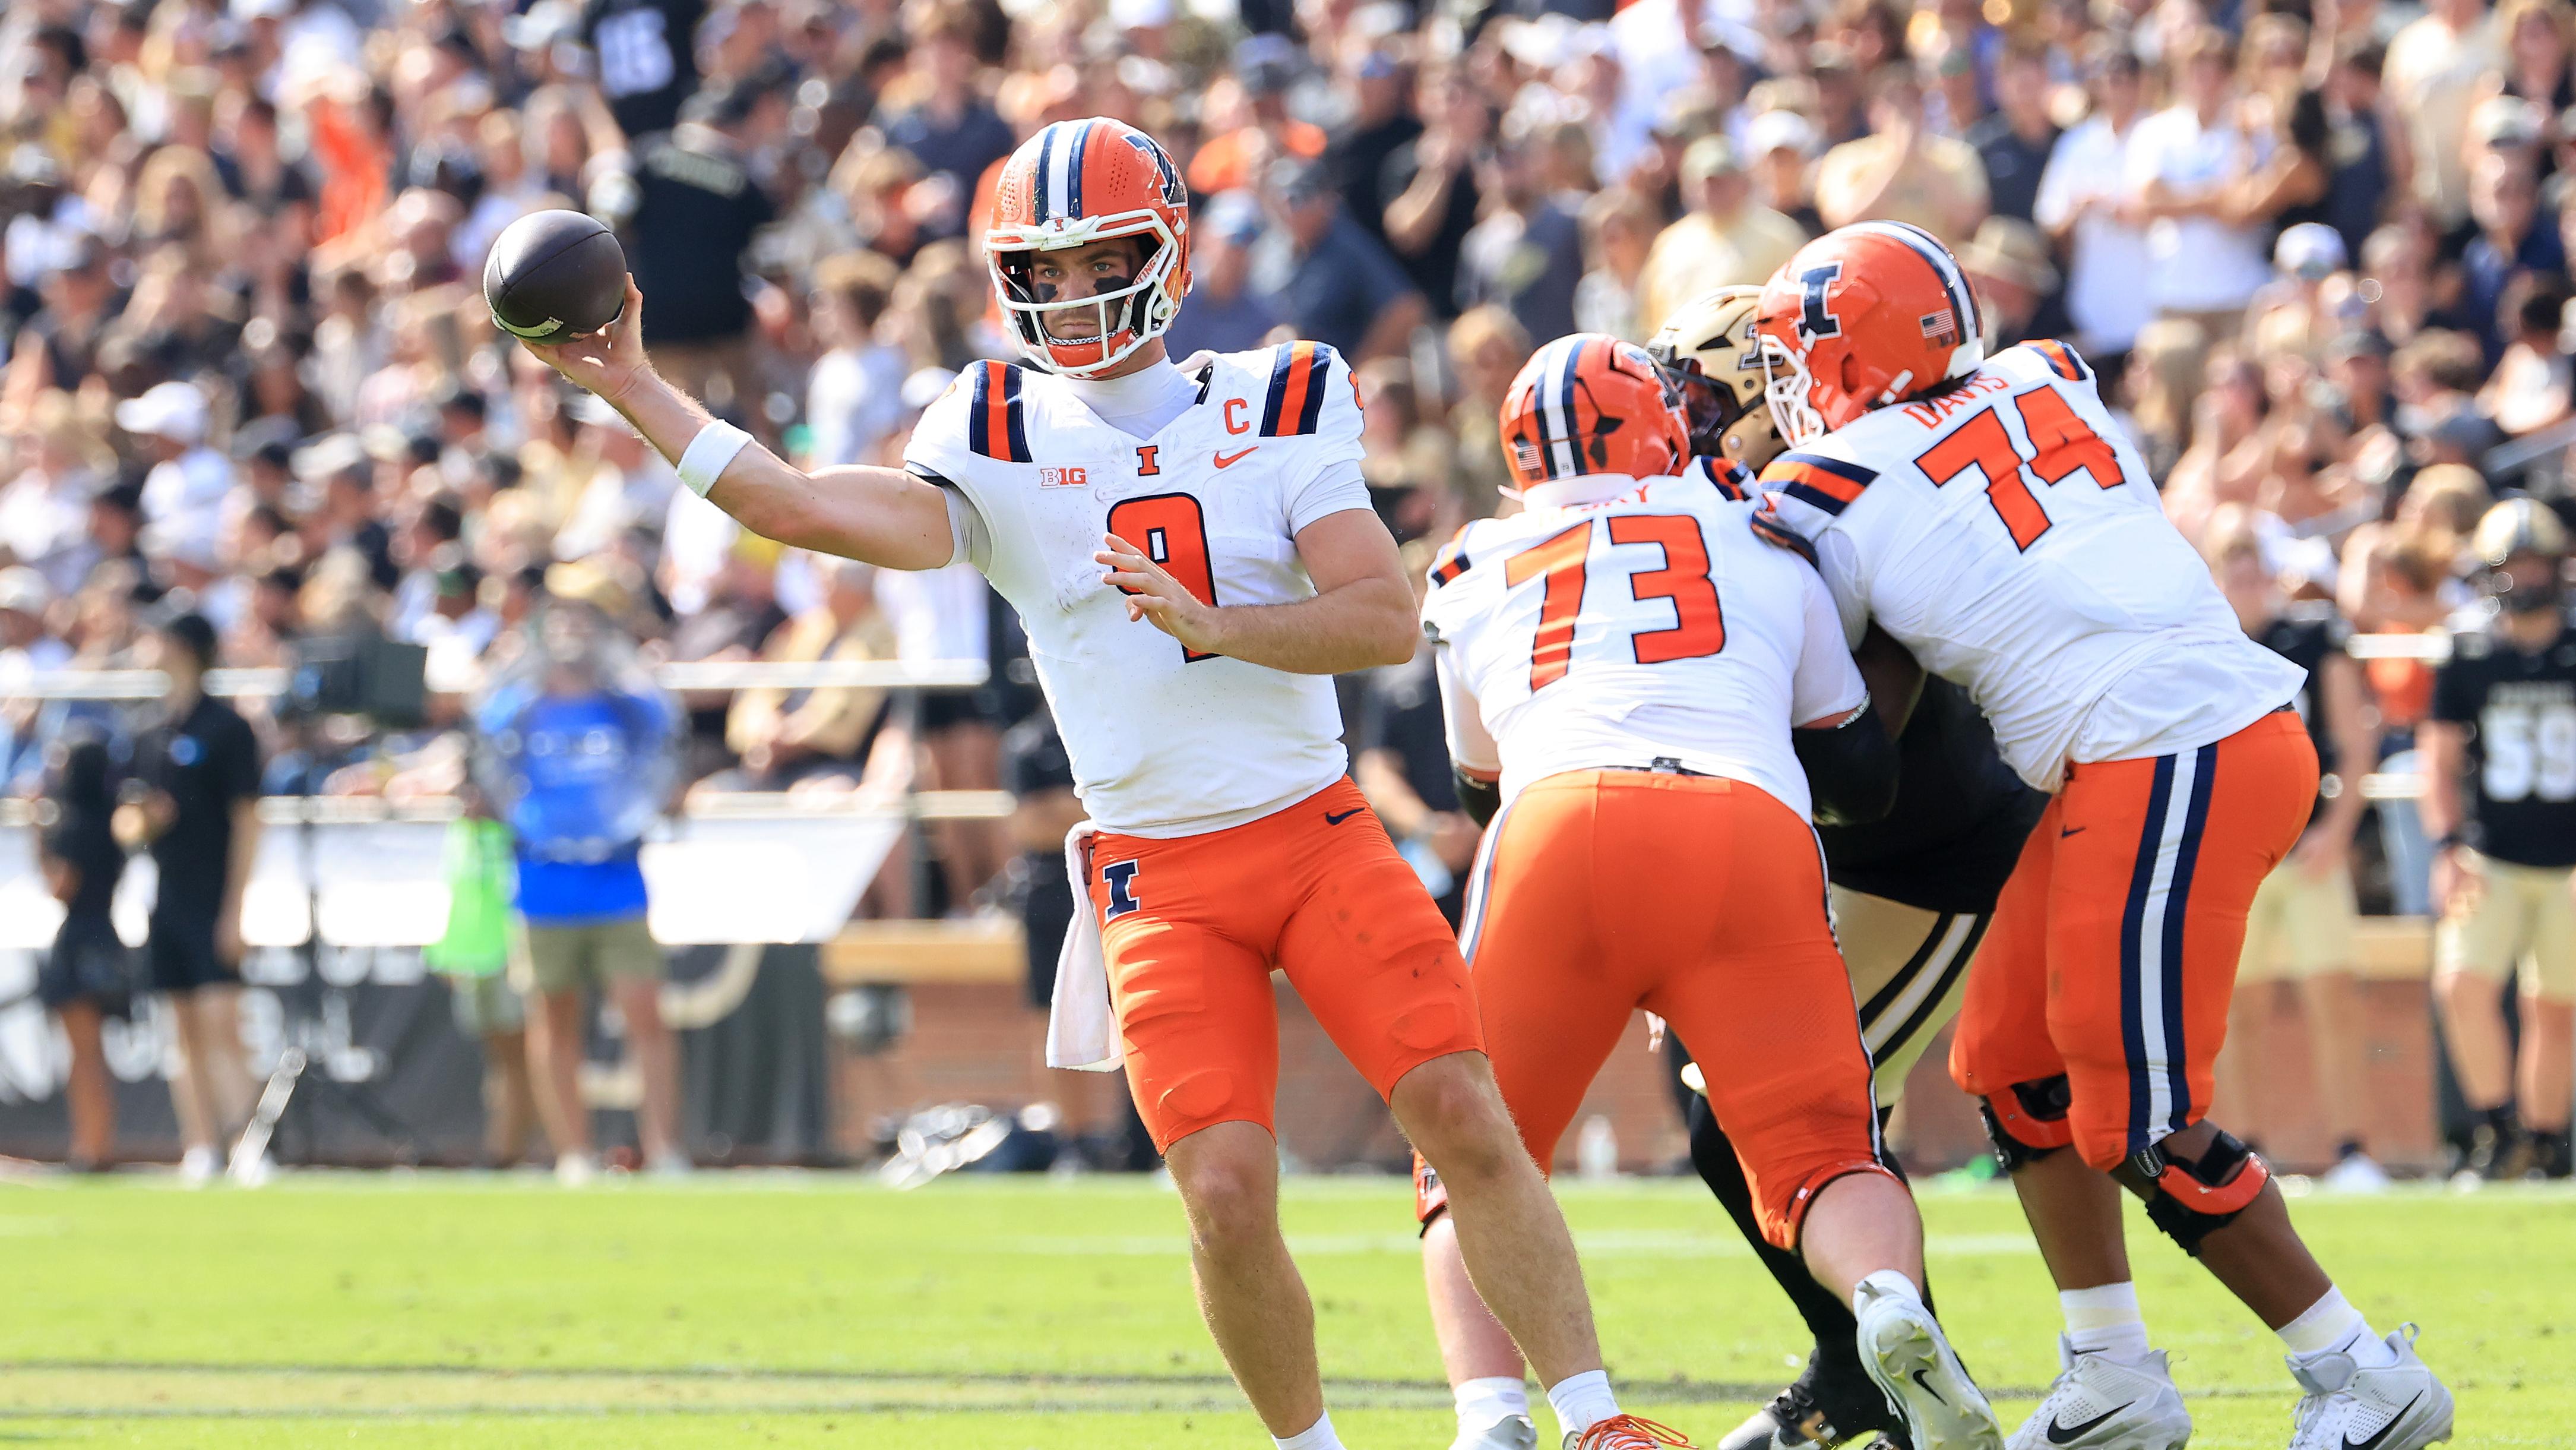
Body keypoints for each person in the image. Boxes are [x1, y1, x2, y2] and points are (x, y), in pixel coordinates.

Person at [523, 116, 1689, 1450]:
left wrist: (1221, 621)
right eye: (1048, 269)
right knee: (1226, 1189)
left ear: (1169, 249)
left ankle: (1595, 1420)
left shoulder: (1278, 393)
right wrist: (630, 383)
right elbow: (795, 504)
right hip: (1158, 870)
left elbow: (1380, 612)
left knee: (1465, 1112)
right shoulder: (994, 422)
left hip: (1314, 828)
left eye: (1103, 259)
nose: (1074, 295)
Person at [1752, 222, 2454, 1450]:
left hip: (2170, 744)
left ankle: (2358, 1369)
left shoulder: (1830, 484)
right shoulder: (2050, 372)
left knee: (2131, 1113)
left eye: (1792, 361)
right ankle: (2112, 1369)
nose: (1780, 395)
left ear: (1844, 353)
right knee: (2013, 1060)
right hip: (2151, 744)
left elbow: (1832, 653)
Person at [1413, 330, 2002, 1450]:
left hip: (1558, 824)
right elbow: (1858, 771)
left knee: (1476, 1159)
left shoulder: (1471, 563)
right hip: (1743, 828)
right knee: (1827, 1154)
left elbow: (1478, 782)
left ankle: (1491, 1419)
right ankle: (1884, 1301)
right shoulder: (1763, 540)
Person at [1647, 288, 2047, 1450]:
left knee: (1770, 1104)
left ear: (1778, 390)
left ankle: (1906, 1378)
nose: (1684, 414)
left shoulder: (1829, 499)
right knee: (1740, 1093)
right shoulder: (1733, 506)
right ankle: (1863, 1365)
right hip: (1851, 849)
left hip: (1931, 847)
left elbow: (1858, 750)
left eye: (1708, 391)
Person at [473, 570, 687, 1184]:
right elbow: (486, 773)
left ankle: (665, 1149)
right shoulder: (513, 705)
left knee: (644, 1013)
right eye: (559, 619)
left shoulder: (632, 704)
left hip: (618, 873)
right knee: (553, 1019)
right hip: (542, 877)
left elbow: (667, 763)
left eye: (582, 619)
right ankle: (574, 1155)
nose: (570, 632)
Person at [2202, 510, 2393, 1192]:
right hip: (2235, 856)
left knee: (2333, 995)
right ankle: (2246, 1152)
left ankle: (2353, 1150)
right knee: (2235, 1009)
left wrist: (2338, 829)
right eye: (2234, 569)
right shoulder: (2202, 642)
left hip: (2307, 846)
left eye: (2255, 568)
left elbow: (2356, 737)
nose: (2246, 583)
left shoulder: (2309, 638)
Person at [2420, 499, 2576, 1183]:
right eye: (2512, 564)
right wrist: (2448, 843)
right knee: (2460, 984)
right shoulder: (2469, 648)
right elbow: (2440, 757)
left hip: (2570, 858)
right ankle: (2496, 1127)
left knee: (2556, 1005)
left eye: (2536, 561)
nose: (2525, 576)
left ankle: (2545, 1141)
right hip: (2491, 853)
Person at [116, 612, 261, 1185]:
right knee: (182, 1027)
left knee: (222, 1021)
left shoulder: (227, 728)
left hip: (212, 894)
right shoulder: (149, 730)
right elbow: (126, 821)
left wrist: (237, 909)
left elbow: (248, 820)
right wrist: (143, 822)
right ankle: (199, 1144)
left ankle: (248, 1142)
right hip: (165, 896)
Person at [36, 728, 133, 1173]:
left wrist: (37, 840)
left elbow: (60, 887)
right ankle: (98, 1143)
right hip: (105, 934)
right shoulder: (110, 823)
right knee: (94, 1051)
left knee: (83, 1053)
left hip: (79, 938)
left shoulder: (73, 826)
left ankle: (90, 1148)